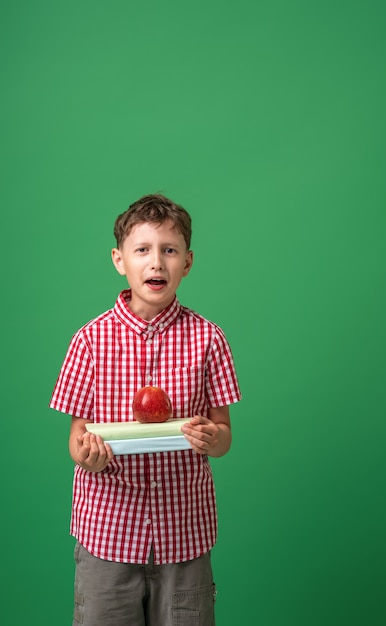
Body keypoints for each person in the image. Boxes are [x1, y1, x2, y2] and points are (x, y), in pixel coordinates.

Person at [49, 193, 241, 626]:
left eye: (169, 251)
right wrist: (87, 455)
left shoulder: (209, 339)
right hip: (108, 535)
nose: (156, 262)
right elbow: (76, 440)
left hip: (184, 535)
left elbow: (224, 434)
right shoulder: (89, 341)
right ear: (120, 260)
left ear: (187, 263)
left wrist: (214, 437)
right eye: (143, 250)